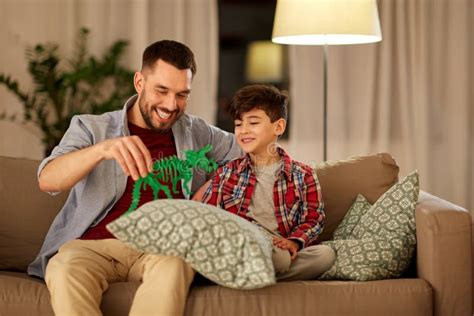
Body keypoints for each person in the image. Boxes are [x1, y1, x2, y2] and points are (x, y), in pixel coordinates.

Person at [28, 40, 241, 316]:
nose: (170, 105)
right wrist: (102, 149)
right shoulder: (91, 127)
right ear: (139, 82)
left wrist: (211, 190)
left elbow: (249, 155)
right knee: (64, 267)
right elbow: (48, 179)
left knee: (178, 262)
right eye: (161, 90)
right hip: (93, 248)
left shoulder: (196, 131)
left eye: (182, 94)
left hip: (162, 249)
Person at [201, 85, 336, 281]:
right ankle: (255, 272)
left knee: (325, 255)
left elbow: (313, 219)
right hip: (240, 244)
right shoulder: (227, 173)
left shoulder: (303, 175)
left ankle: (240, 276)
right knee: (279, 261)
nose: (243, 131)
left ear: (278, 127)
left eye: (253, 122)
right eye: (238, 124)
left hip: (276, 249)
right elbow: (209, 215)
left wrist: (294, 242)